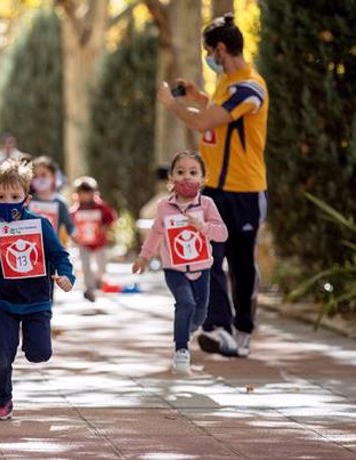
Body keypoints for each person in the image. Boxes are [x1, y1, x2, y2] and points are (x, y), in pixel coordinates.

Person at [156, 13, 268, 356]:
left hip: (245, 190)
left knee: (241, 262)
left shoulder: (250, 88)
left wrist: (174, 105)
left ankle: (243, 330)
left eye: (210, 52)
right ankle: (219, 328)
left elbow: (208, 120)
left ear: (221, 49)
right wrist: (197, 95)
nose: (209, 58)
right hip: (214, 189)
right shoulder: (226, 85)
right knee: (209, 256)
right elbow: (216, 113)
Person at [0, 159, 75, 420]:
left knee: (40, 353)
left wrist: (66, 276)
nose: (8, 202)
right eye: (0, 196)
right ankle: (1, 401)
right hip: (3, 304)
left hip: (37, 302)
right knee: (1, 356)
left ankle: (28, 341)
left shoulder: (41, 225)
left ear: (26, 199)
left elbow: (60, 255)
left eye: (14, 196)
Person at [133, 151, 228, 373]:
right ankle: (181, 350)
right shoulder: (164, 207)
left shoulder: (207, 205)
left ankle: (186, 328)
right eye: (181, 172)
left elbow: (222, 234)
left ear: (203, 179)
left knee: (200, 312)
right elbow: (156, 232)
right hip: (174, 268)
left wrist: (203, 227)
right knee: (185, 303)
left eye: (193, 172)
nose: (186, 177)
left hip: (202, 266)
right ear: (171, 178)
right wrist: (144, 256)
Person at [70, 176, 117, 303]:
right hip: (83, 243)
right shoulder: (75, 210)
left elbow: (111, 217)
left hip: (99, 242)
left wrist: (105, 228)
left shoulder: (100, 207)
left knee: (102, 267)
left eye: (88, 193)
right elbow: (70, 225)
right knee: (86, 267)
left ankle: (98, 279)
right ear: (77, 194)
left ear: (93, 193)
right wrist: (74, 236)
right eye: (82, 193)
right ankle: (89, 289)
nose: (85, 196)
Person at [29, 156, 75, 246]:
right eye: (35, 176)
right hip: (32, 249)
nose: (39, 179)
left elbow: (70, 227)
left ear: (53, 177)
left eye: (43, 175)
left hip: (53, 250)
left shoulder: (60, 203)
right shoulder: (28, 201)